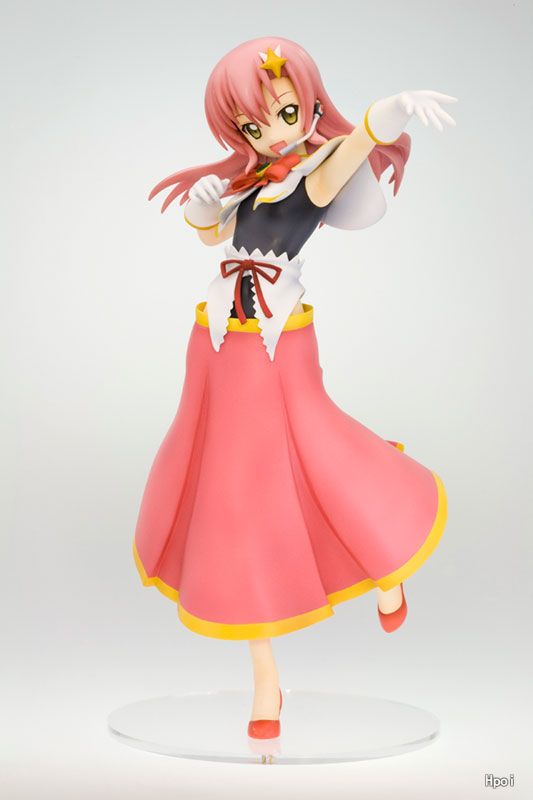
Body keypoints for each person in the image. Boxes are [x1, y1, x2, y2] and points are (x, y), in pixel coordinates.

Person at [132, 36, 456, 740]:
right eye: (253, 123)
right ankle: (266, 682)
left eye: (284, 113)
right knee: (230, 501)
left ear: (307, 106)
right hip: (218, 346)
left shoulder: (313, 177)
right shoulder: (251, 183)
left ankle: (386, 556)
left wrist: (393, 108)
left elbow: (358, 140)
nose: (271, 132)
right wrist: (203, 206)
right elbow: (209, 237)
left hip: (278, 346)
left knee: (322, 453)